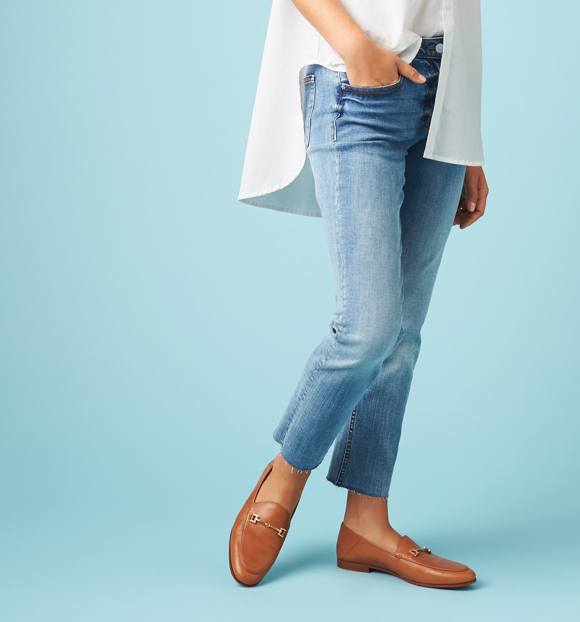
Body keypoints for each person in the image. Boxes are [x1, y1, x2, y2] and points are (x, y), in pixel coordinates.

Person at [230, 0, 489, 588]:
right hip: (357, 82)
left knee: (402, 336)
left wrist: (470, 141)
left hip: (445, 93)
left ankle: (367, 523)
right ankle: (288, 472)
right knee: (369, 327)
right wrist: (353, 45)